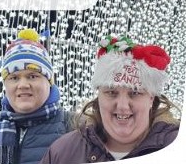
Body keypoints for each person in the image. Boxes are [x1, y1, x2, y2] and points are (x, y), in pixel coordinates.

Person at [40, 35, 180, 163]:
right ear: (99, 95)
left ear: (151, 98)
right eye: (111, 92)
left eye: (135, 93)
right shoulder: (63, 152)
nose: (123, 106)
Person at [0, 29, 72, 164]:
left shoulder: (77, 127)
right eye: (14, 78)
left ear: (49, 81)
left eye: (32, 76)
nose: (23, 85)